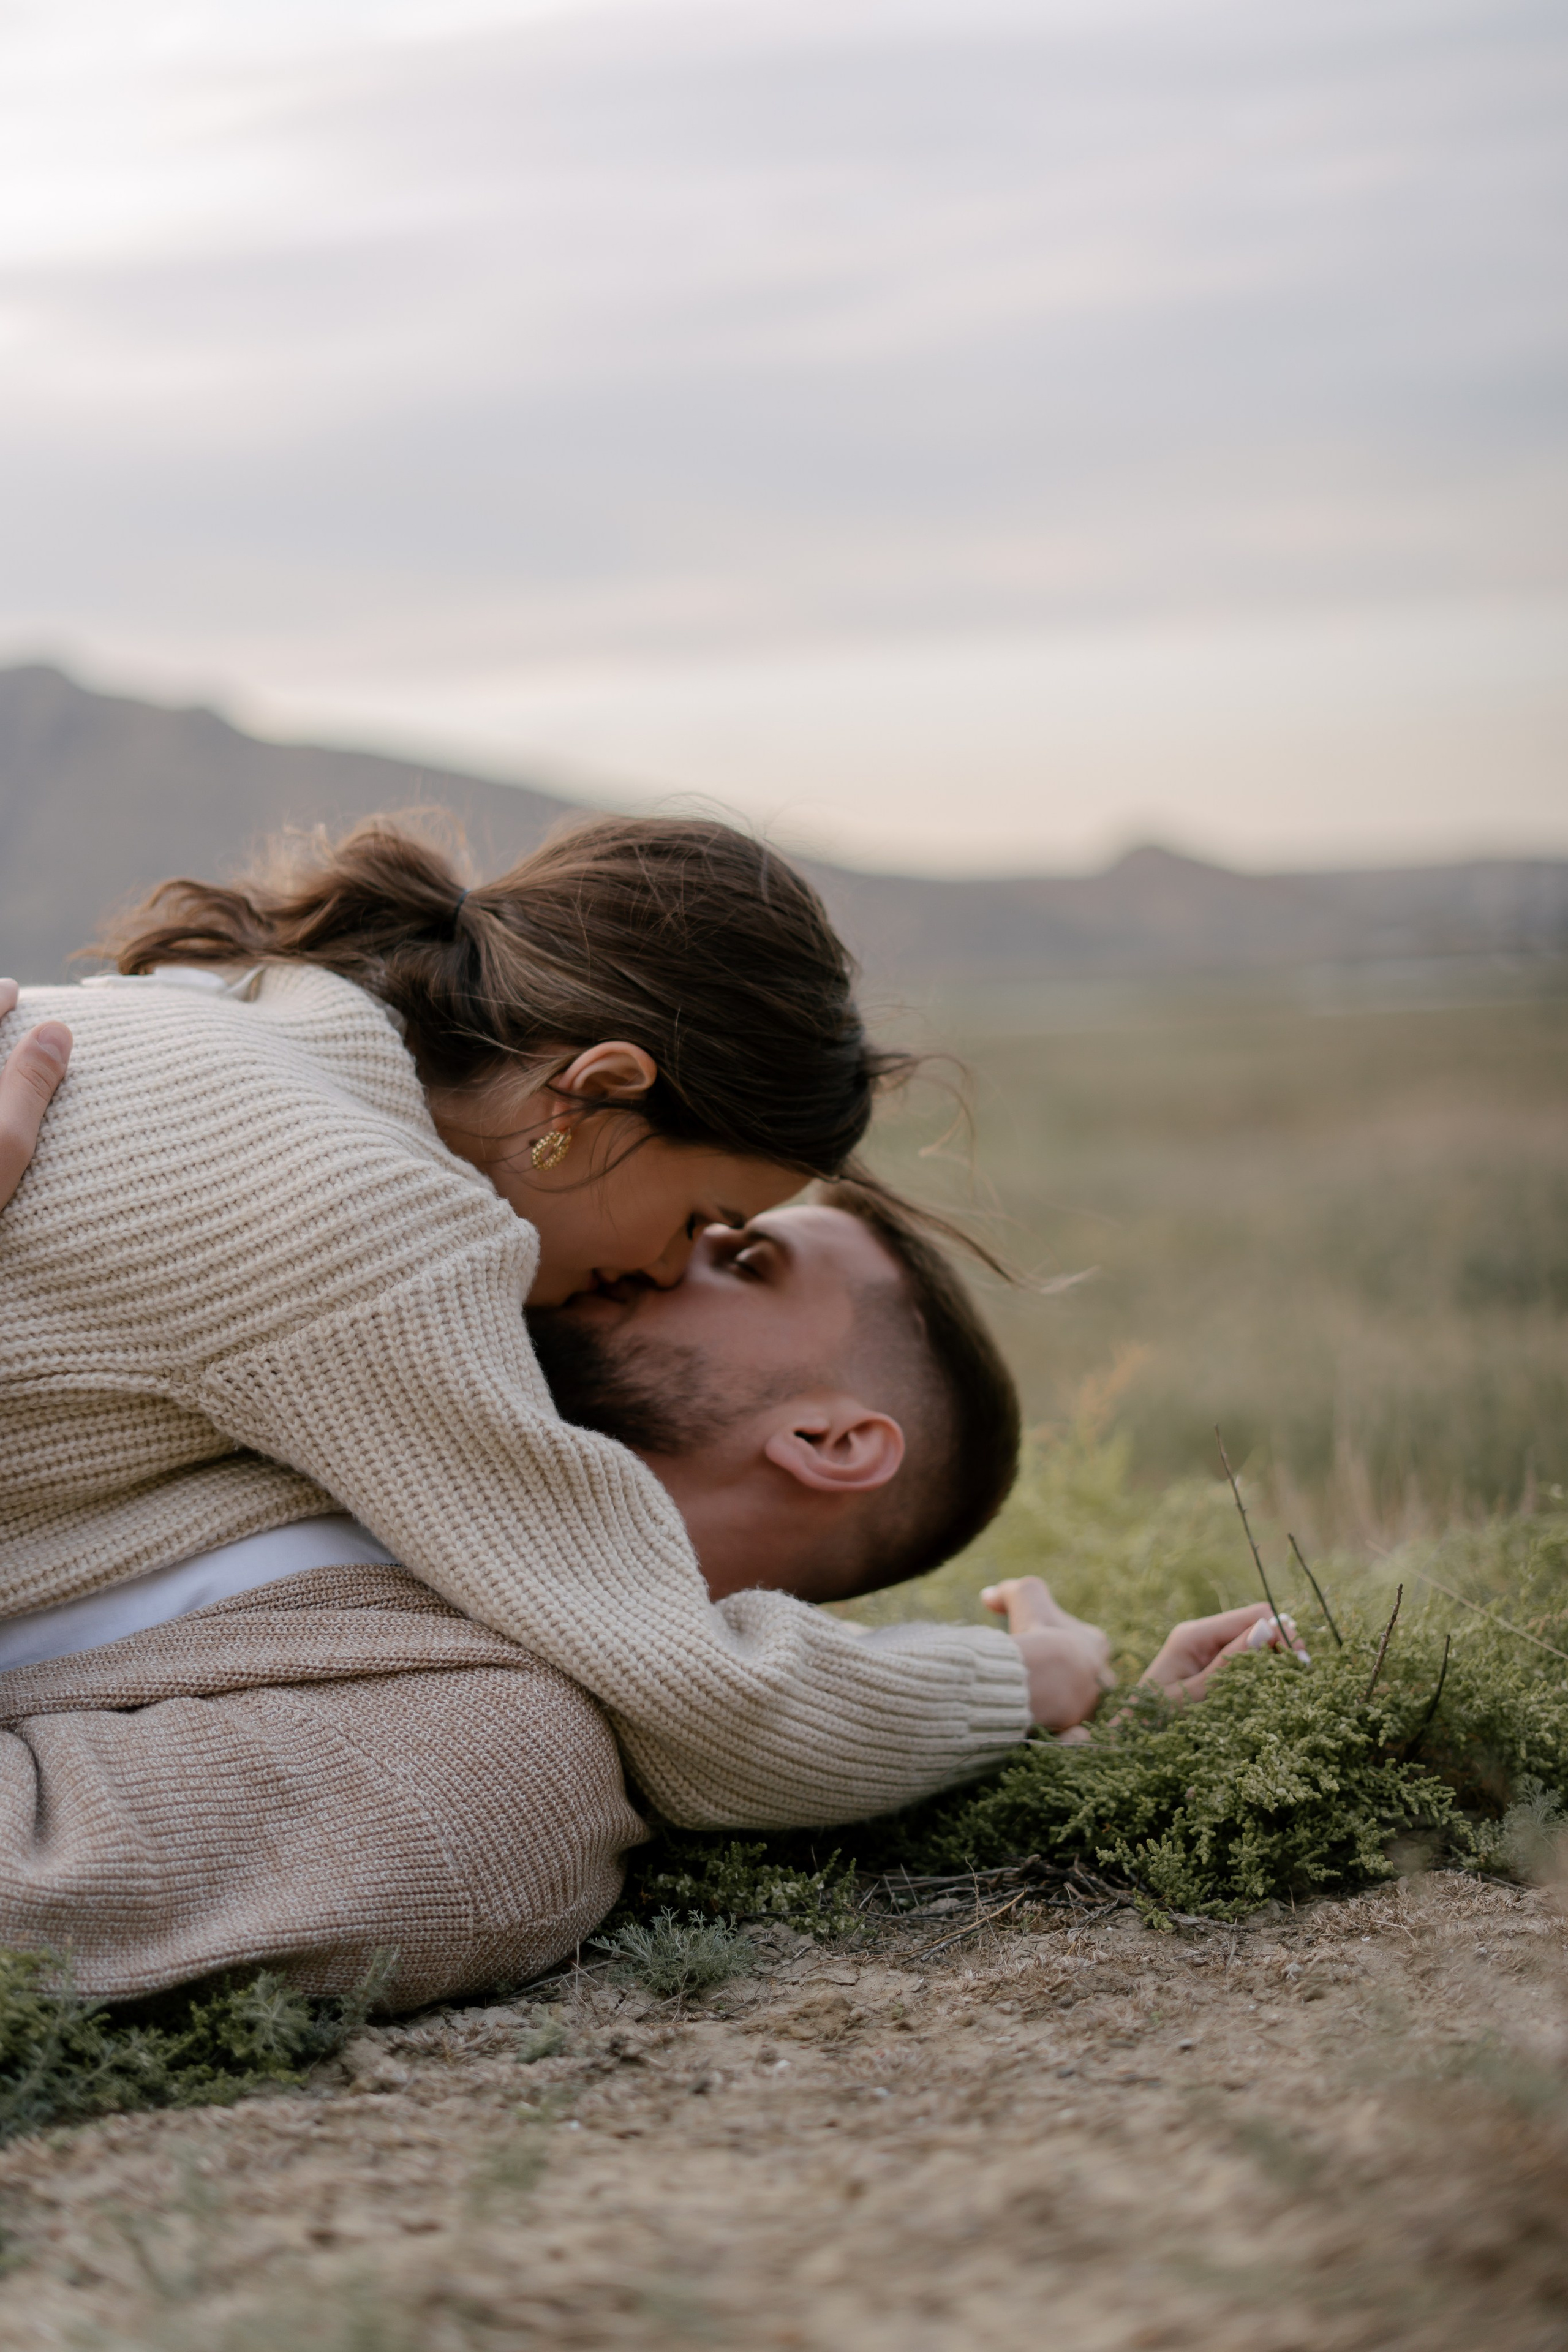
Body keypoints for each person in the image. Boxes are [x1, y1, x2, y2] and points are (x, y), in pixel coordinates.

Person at [0, 1067, 1298, 2007]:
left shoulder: (500, 1755)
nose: (650, 1255)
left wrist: (1111, 1751)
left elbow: (723, 1713)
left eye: (731, 1256)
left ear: (831, 1441)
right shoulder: (311, 1361)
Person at [0, 819, 1046, 1830]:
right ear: (594, 1094)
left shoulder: (266, 1021)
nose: (670, 1267)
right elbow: (709, 1714)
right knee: (511, 1779)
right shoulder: (374, 1218)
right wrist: (1020, 1678)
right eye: (702, 1220)